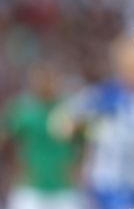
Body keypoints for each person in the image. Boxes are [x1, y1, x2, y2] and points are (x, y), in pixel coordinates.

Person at [50, 34, 134, 209]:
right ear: (121, 66)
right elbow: (60, 123)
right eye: (132, 64)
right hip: (109, 186)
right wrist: (79, 130)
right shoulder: (106, 95)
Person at [0, 64, 83, 209]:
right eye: (39, 79)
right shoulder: (21, 110)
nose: (44, 84)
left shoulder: (70, 109)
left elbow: (85, 141)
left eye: (48, 79)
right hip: (30, 186)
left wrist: (77, 168)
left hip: (63, 187)